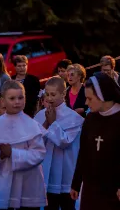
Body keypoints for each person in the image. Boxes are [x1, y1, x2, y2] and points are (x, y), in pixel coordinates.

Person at [70, 73, 120, 210]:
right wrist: (76, 183)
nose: (86, 103)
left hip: (118, 189)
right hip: (92, 189)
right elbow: (84, 153)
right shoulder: (90, 119)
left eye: (89, 98)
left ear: (103, 96)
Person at [0, 80, 47, 210]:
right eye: (12, 98)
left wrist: (13, 153)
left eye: (20, 97)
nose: (17, 102)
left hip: (28, 183)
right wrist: (0, 155)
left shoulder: (32, 125)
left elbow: (39, 154)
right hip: (4, 183)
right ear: (3, 101)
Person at [34, 77, 84, 210]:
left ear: (63, 94)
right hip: (46, 171)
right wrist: (45, 123)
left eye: (53, 94)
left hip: (66, 173)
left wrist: (53, 123)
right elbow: (34, 141)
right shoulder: (40, 115)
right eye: (47, 94)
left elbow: (64, 141)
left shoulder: (74, 118)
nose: (49, 98)